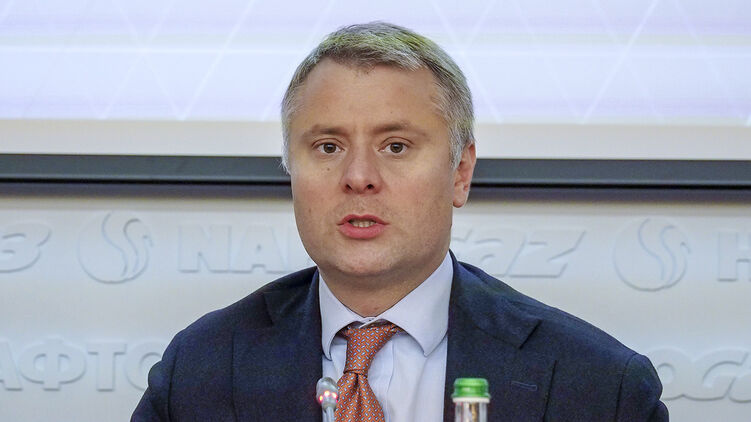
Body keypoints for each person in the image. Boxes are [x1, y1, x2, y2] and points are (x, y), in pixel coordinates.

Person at [132, 22, 667, 421]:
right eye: (328, 146)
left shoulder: (599, 386)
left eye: (396, 146)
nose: (359, 177)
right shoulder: (199, 369)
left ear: (460, 173)